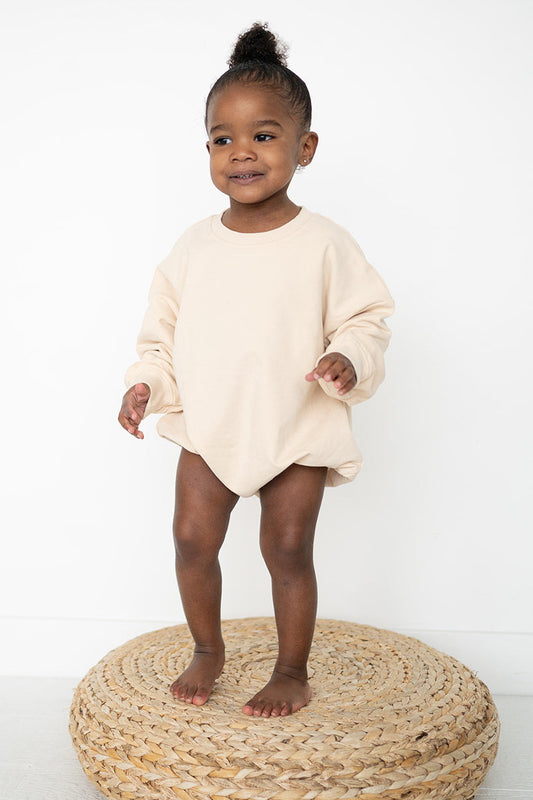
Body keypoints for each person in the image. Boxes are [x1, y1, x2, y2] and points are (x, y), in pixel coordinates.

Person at [118, 21, 395, 718]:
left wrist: (348, 357)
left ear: (305, 147)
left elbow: (366, 319)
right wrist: (146, 384)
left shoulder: (324, 243)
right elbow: (161, 333)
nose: (241, 152)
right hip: (211, 421)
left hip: (296, 424)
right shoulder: (193, 247)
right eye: (222, 139)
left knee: (288, 547)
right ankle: (207, 647)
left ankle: (291, 669)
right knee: (190, 539)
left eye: (263, 135)